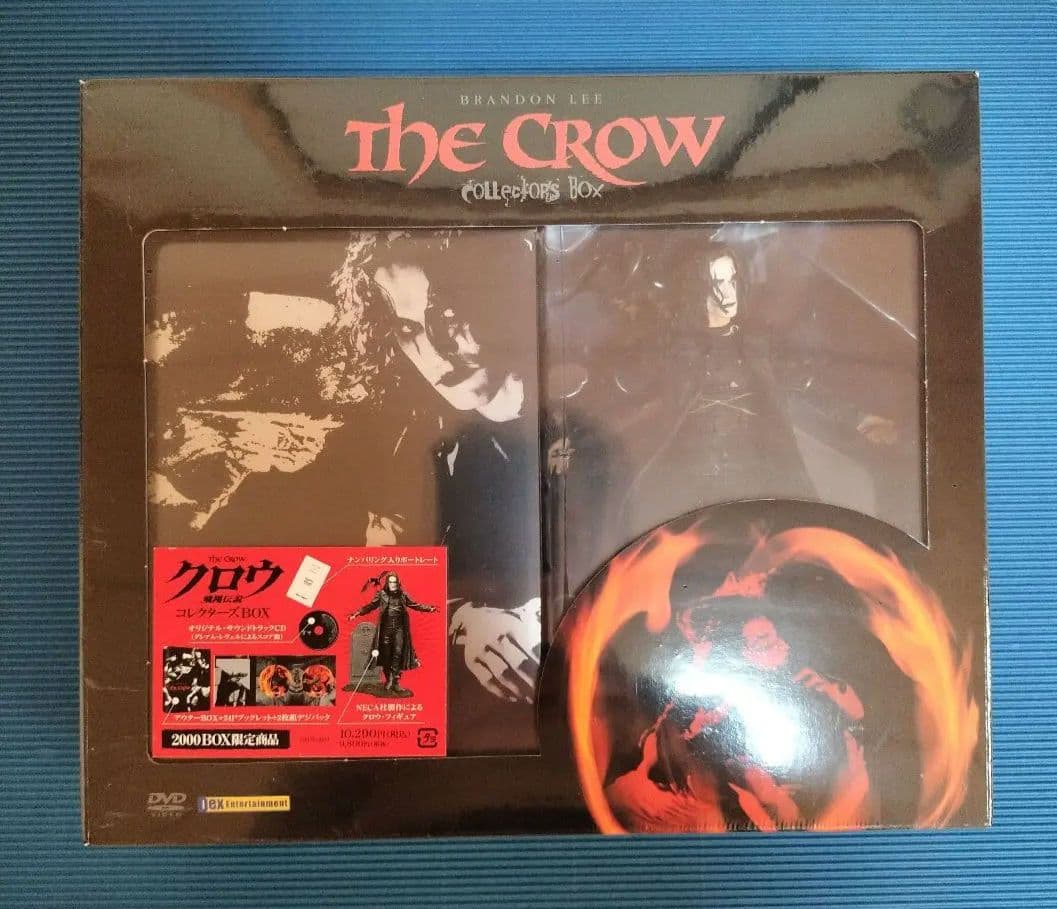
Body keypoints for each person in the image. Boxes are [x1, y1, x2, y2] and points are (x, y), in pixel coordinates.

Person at [348, 573, 437, 697]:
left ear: (398, 583)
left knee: (398, 653)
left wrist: (429, 609)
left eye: (395, 582)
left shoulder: (403, 595)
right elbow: (371, 606)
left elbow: (415, 605)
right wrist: (356, 614)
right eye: (390, 582)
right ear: (387, 583)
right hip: (385, 629)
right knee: (386, 655)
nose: (393, 584)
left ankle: (395, 681)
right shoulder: (382, 594)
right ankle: (389, 679)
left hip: (399, 629)